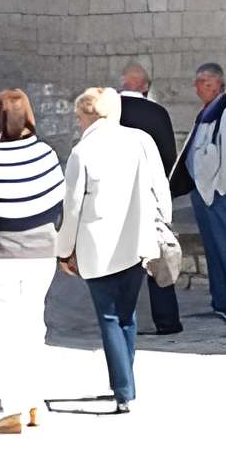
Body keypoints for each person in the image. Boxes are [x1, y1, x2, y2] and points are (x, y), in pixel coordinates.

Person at [0, 89, 66, 434]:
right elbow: (57, 203)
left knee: (4, 333)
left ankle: (14, 408)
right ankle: (35, 402)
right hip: (40, 255)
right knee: (34, 325)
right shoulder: (46, 154)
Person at [56, 85, 170, 414]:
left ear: (90, 115)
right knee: (126, 316)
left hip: (98, 245)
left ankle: (123, 389)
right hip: (136, 240)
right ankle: (125, 382)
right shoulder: (140, 140)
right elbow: (160, 188)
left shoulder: (83, 151)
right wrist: (163, 226)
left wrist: (64, 250)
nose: (78, 123)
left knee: (108, 317)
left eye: (79, 117)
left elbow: (72, 207)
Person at [177, 62, 226, 321]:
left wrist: (218, 189)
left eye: (206, 82)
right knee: (213, 251)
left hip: (219, 194)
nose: (200, 87)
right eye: (198, 82)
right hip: (203, 193)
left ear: (219, 85)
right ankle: (222, 303)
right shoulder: (206, 114)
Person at [119, 61, 182, 337]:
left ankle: (121, 319)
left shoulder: (110, 112)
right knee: (158, 258)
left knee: (122, 261)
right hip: (149, 196)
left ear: (123, 83)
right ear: (146, 87)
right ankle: (167, 321)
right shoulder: (158, 114)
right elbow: (170, 157)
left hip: (116, 197)